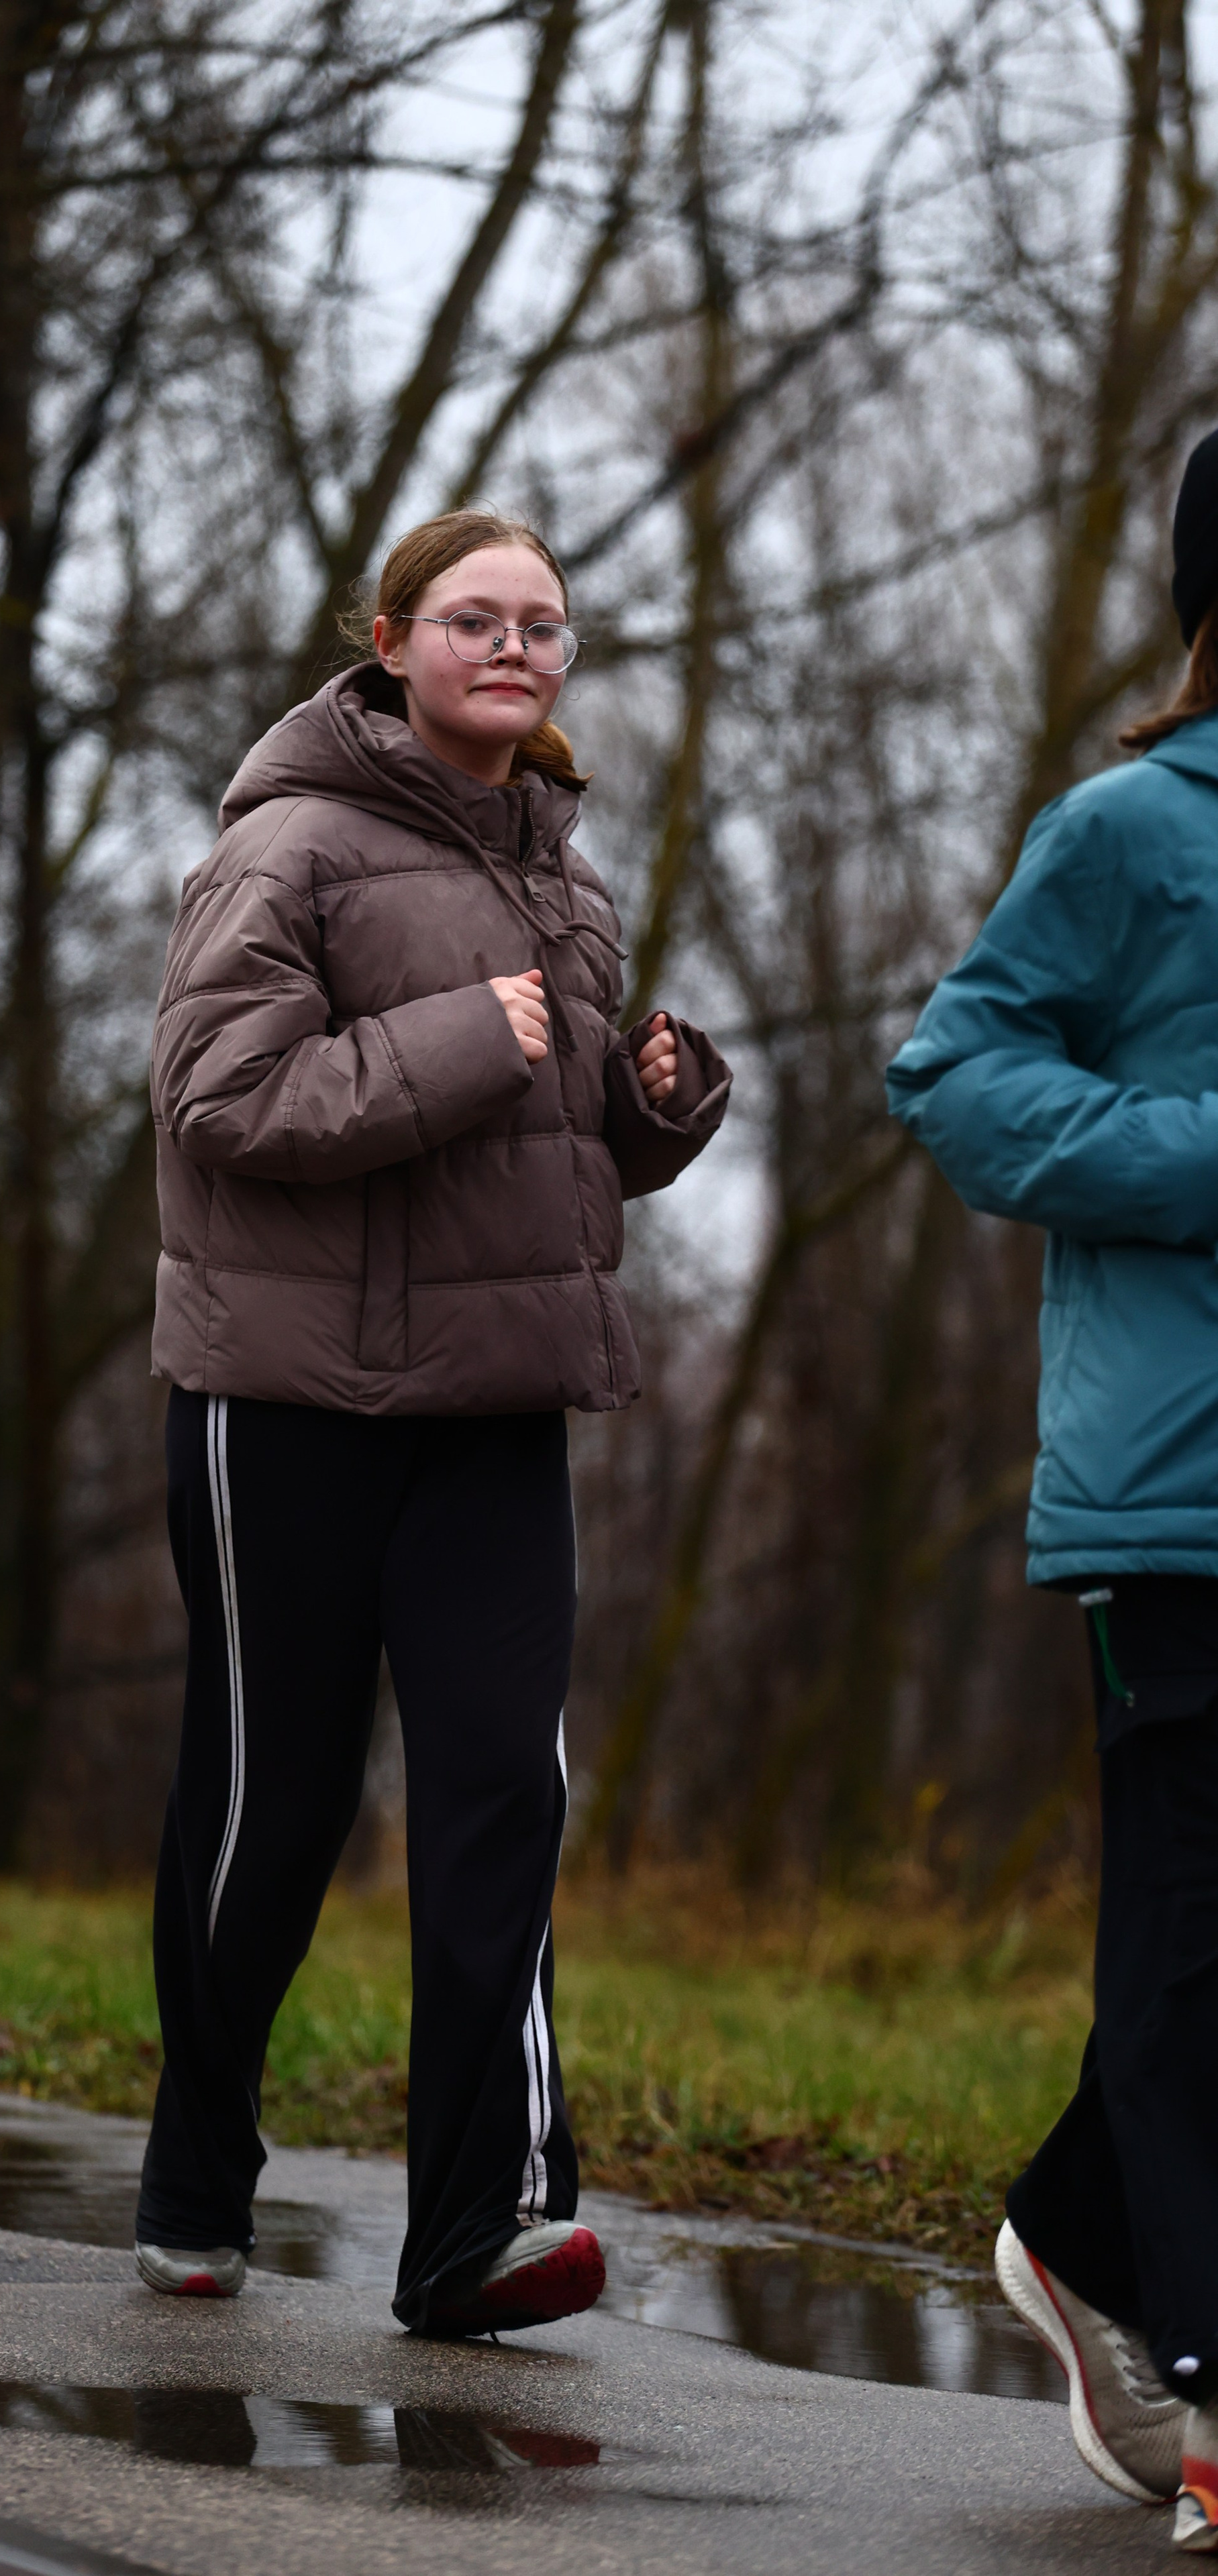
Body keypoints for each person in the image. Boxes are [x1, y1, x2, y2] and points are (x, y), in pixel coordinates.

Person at [137, 510, 730, 2336]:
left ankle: (478, 2223)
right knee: (275, 1803)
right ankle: (196, 2168)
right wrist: (478, 1038)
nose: (515, 648)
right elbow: (223, 1099)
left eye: (542, 624)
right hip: (285, 1401)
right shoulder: (288, 846)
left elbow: (545, 1153)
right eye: (475, 618)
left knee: (501, 1792)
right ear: (389, 640)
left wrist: (652, 1104)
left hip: (492, 1405)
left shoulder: (566, 877)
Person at [888, 430, 1218, 2551]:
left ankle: (1086, 2232)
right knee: (1191, 1943)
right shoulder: (1129, 828)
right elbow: (955, 1072)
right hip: (1184, 1483)